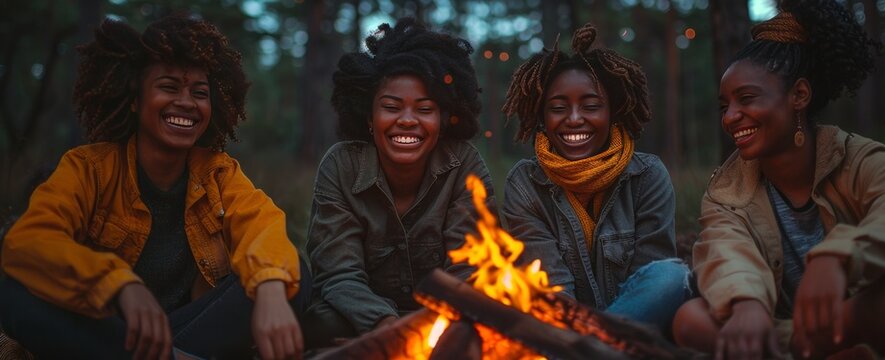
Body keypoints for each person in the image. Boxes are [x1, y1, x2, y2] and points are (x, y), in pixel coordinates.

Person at [0, 14, 309, 360]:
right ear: (136, 99)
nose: (187, 102)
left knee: (289, 274)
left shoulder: (218, 172)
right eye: (169, 87)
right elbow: (30, 241)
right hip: (111, 331)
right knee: (14, 292)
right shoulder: (88, 168)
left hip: (188, 331)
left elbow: (262, 225)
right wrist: (117, 284)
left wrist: (268, 286)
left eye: (199, 93)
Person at [672, 1, 885, 358]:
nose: (730, 117)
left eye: (745, 99)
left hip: (850, 321)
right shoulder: (725, 189)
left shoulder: (862, 158)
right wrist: (746, 302)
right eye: (724, 105)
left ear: (799, 95)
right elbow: (725, 249)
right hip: (783, 331)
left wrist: (840, 258)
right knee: (689, 319)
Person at [301, 18, 494, 347]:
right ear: (368, 117)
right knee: (318, 322)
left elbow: (469, 269)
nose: (407, 120)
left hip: (443, 320)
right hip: (361, 320)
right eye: (391, 107)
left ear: (444, 119)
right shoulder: (341, 166)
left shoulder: (464, 165)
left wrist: (432, 331)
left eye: (425, 109)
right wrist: (388, 325)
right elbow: (338, 274)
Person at [500, 24, 691, 336]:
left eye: (590, 106)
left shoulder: (647, 176)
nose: (574, 119)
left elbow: (652, 279)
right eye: (559, 108)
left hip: (634, 322)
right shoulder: (525, 184)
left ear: (613, 112)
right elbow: (551, 290)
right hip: (563, 327)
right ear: (541, 118)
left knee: (669, 277)